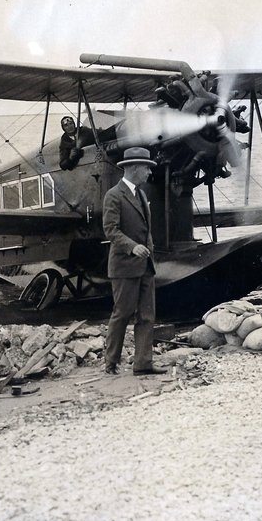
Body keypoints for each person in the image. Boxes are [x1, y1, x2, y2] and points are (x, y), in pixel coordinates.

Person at [102, 147, 167, 376]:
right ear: (134, 168)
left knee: (147, 315)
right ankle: (110, 364)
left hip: (145, 266)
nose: (150, 173)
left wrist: (148, 250)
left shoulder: (141, 194)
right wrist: (133, 247)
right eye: (147, 168)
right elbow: (111, 230)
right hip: (124, 266)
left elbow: (145, 228)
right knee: (122, 313)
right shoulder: (114, 195)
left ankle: (143, 364)